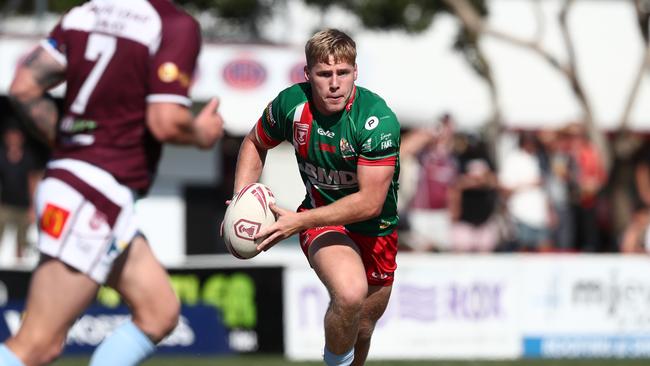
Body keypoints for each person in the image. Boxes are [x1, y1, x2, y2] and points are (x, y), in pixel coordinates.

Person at [0, 1, 224, 365]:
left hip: (81, 184)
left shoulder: (84, 14)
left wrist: (75, 146)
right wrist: (201, 132)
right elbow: (165, 121)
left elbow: (24, 87)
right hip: (94, 195)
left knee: (159, 312)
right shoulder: (172, 24)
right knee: (37, 346)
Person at [231, 29, 400, 366]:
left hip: (377, 229)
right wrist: (241, 199)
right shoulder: (291, 104)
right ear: (308, 75)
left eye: (343, 73)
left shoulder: (376, 120)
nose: (334, 83)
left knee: (363, 326)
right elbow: (254, 142)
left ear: (356, 72)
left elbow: (369, 203)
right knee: (350, 294)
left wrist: (297, 222)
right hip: (322, 220)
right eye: (324, 74)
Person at [0, 126, 42, 261]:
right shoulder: (1, 156)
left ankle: (18, 273)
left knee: (22, 243)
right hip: (4, 205)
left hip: (23, 207)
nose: (13, 139)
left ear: (21, 139)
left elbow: (32, 182)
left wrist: (33, 207)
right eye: (10, 136)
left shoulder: (28, 157)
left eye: (16, 136)